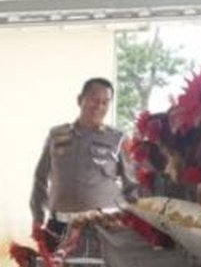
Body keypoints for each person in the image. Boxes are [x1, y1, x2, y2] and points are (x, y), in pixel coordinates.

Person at [30, 78, 135, 254]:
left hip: (100, 231)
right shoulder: (57, 135)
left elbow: (132, 187)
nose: (99, 106)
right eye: (94, 100)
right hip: (58, 228)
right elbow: (40, 178)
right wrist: (37, 218)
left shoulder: (118, 139)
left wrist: (128, 224)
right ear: (80, 100)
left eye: (105, 102)